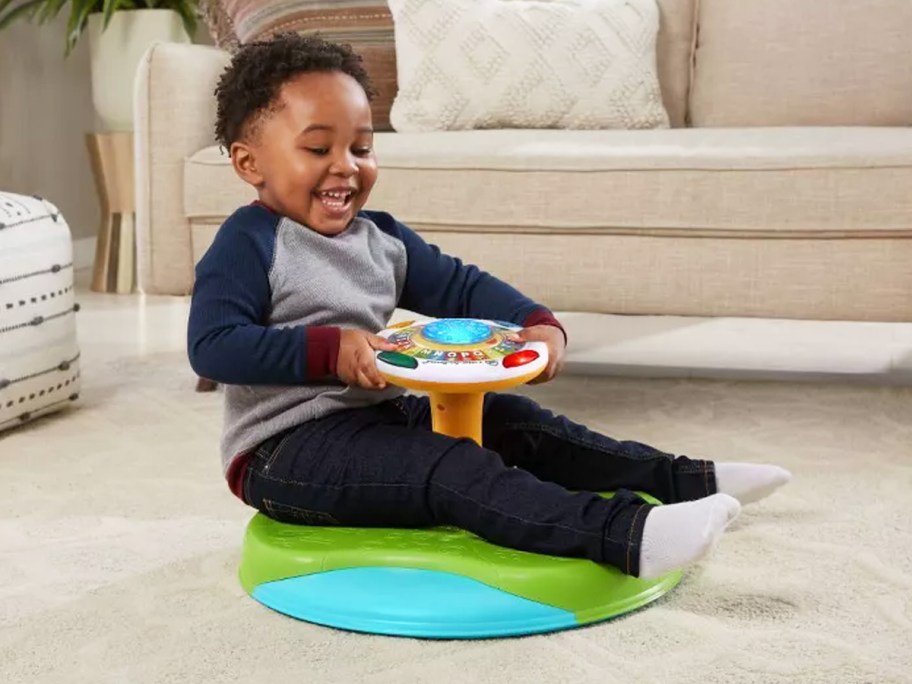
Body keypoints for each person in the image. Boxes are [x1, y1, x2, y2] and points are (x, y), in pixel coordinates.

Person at [187, 33, 791, 579]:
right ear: (250, 163)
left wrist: (537, 322)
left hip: (376, 417)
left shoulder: (381, 237)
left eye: (362, 148)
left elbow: (461, 285)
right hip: (284, 452)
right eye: (318, 149)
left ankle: (687, 479)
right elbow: (213, 346)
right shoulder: (248, 243)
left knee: (518, 422)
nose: (346, 166)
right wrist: (331, 350)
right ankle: (627, 535)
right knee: (451, 466)